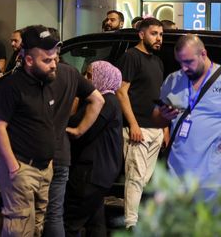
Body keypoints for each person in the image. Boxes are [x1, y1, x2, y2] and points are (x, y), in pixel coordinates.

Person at [0, 25, 104, 237]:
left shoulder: (49, 81)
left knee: (38, 225)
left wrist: (77, 131)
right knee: (20, 228)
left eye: (55, 58)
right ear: (29, 60)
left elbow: (97, 100)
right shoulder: (12, 86)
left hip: (46, 167)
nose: (54, 65)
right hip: (21, 167)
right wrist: (14, 167)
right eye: (47, 60)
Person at [42, 28, 106, 237]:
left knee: (33, 213)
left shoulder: (37, 74)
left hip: (38, 155)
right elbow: (98, 99)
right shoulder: (70, 72)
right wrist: (78, 130)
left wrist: (78, 128)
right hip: (62, 152)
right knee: (55, 213)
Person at [153, 34, 221, 201]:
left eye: (189, 61)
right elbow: (155, 119)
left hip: (211, 178)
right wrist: (163, 116)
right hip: (176, 174)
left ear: (203, 54)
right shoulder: (173, 80)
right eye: (180, 62)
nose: (184, 67)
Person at [64, 61, 123, 237]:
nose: (85, 78)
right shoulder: (108, 101)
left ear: (102, 78)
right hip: (98, 172)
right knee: (95, 221)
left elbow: (82, 130)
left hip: (90, 172)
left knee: (69, 221)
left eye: (90, 75)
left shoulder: (104, 102)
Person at [115, 17, 164, 229]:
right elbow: (121, 91)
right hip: (138, 128)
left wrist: (164, 127)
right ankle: (130, 224)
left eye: (161, 34)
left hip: (155, 129)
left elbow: (158, 96)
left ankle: (139, 219)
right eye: (154, 33)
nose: (159, 38)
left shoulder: (157, 61)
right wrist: (133, 124)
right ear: (141, 34)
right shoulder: (131, 57)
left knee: (144, 179)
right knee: (135, 177)